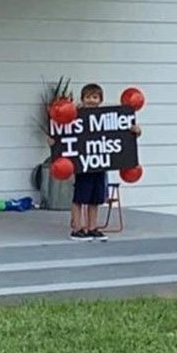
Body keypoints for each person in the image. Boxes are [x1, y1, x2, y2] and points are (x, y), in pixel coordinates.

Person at [50, 83, 142, 241]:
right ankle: (77, 229)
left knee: (96, 199)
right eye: (88, 97)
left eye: (95, 97)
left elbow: (123, 134)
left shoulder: (110, 118)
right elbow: (59, 134)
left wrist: (136, 131)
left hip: (100, 165)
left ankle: (92, 228)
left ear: (100, 100)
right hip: (83, 165)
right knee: (79, 198)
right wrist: (53, 141)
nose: (91, 100)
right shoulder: (75, 117)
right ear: (82, 99)